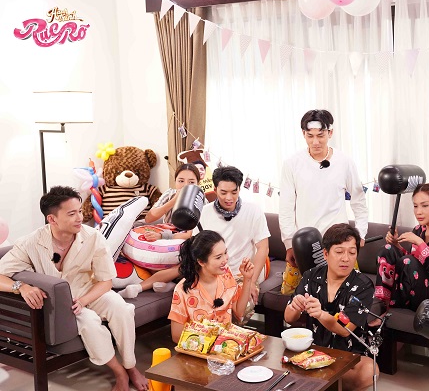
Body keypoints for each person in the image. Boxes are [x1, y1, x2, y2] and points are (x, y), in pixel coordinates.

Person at [0, 186, 147, 391]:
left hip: (91, 291)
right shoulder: (30, 242)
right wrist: (21, 286)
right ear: (52, 219)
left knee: (121, 309)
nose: (80, 217)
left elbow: (106, 281)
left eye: (79, 211)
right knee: (90, 323)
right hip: (61, 303)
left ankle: (131, 366)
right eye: (72, 214)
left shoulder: (93, 237)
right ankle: (119, 372)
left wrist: (85, 300)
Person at [279, 109, 368, 291]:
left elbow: (359, 201)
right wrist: (289, 243)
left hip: (339, 242)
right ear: (303, 134)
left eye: (320, 135)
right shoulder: (291, 164)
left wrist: (360, 233)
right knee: (293, 296)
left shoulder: (345, 162)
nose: (315, 142)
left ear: (330, 133)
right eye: (310, 136)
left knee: (347, 295)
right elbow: (286, 207)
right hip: (304, 244)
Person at [284, 223, 377, 390]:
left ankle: (316, 379)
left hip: (347, 355)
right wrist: (294, 307)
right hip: (313, 350)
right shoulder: (311, 276)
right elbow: (289, 318)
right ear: (326, 254)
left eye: (352, 252)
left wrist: (320, 314)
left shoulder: (363, 285)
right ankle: (322, 380)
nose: (346, 258)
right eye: (339, 252)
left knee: (369, 371)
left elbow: (345, 329)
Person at [374, 183, 429, 311]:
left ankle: (394, 302)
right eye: (415, 206)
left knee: (408, 261)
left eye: (425, 206)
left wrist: (420, 243)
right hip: (415, 287)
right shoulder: (418, 229)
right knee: (387, 250)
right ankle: (381, 304)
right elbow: (413, 264)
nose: (418, 212)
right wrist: (396, 245)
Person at [118, 163, 202, 299]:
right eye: (181, 181)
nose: (185, 185)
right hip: (165, 238)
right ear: (175, 181)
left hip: (182, 240)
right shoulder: (170, 193)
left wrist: (162, 236)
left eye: (191, 182)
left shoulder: (199, 200)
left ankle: (139, 287)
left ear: (198, 183)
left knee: (186, 263)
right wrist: (174, 201)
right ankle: (169, 284)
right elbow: (149, 218)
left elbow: (189, 234)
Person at [199, 166, 270, 323]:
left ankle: (232, 336)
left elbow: (263, 248)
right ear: (215, 189)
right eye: (223, 192)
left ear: (239, 189)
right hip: (213, 273)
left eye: (234, 192)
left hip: (243, 273)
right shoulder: (204, 212)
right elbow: (197, 249)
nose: (229, 198)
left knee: (237, 313)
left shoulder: (253, 211)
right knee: (204, 310)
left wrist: (251, 282)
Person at [168, 230, 254, 342]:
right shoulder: (183, 290)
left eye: (225, 253)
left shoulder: (226, 275)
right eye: (218, 257)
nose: (225, 259)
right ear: (201, 262)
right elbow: (176, 336)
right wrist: (207, 338)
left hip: (225, 345)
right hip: (198, 348)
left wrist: (247, 278)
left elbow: (239, 312)